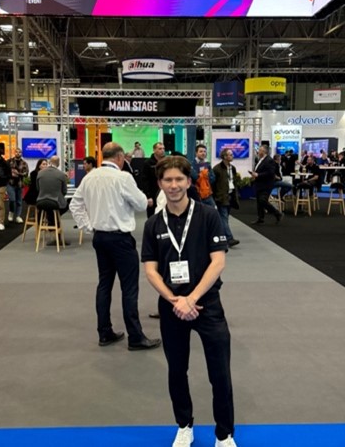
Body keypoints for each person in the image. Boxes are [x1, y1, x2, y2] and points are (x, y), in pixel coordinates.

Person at [142, 156, 236, 447]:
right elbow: (150, 270)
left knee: (219, 372)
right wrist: (174, 300)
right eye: (167, 180)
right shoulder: (153, 223)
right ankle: (184, 425)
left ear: (188, 181)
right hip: (172, 308)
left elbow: (218, 262)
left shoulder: (208, 216)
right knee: (176, 370)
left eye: (179, 179)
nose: (173, 185)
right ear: (160, 184)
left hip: (206, 304)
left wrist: (191, 298)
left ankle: (224, 434)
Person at [69, 142, 160, 351]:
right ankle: (135, 337)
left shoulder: (89, 177)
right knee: (129, 288)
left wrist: (88, 226)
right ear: (119, 158)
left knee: (104, 285)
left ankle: (104, 332)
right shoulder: (123, 177)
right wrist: (146, 201)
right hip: (120, 239)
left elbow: (75, 205)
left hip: (100, 238)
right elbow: (139, 203)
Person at [212, 149, 239, 247]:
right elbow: (213, 184)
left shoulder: (233, 168)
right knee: (223, 217)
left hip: (230, 195)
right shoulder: (217, 169)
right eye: (230, 155)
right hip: (221, 196)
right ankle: (229, 238)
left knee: (225, 218)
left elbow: (234, 181)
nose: (232, 156)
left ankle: (221, 236)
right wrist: (215, 197)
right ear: (224, 156)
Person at [249, 144, 283, 225]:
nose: (258, 151)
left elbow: (270, 173)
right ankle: (260, 218)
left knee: (262, 200)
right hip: (259, 183)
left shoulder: (269, 160)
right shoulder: (260, 160)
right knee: (259, 202)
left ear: (264, 151)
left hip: (266, 185)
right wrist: (254, 175)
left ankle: (277, 213)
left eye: (260, 150)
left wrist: (258, 175)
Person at [36, 156, 69, 235]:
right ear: (58, 163)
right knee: (65, 206)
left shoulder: (40, 173)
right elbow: (64, 191)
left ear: (50, 162)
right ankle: (54, 222)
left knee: (50, 208)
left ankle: (51, 221)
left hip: (40, 202)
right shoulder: (61, 174)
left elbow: (38, 188)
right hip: (55, 201)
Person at [142, 142, 166, 217]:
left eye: (163, 148)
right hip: (152, 194)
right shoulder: (147, 163)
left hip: (164, 193)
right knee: (152, 217)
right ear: (154, 150)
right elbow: (144, 180)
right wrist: (148, 196)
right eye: (160, 149)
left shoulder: (166, 162)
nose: (162, 150)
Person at [7, 148, 29, 223]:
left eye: (19, 152)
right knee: (12, 199)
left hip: (20, 184)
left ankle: (18, 216)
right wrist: (11, 174)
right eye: (16, 152)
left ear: (21, 153)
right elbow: (5, 171)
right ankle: (11, 213)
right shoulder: (9, 162)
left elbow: (26, 174)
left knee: (19, 201)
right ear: (14, 153)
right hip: (10, 183)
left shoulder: (24, 163)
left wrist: (18, 174)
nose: (18, 153)